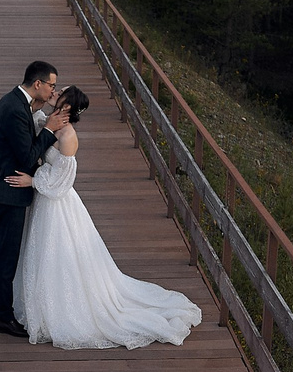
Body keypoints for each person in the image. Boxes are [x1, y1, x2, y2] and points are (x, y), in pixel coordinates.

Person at [10, 86, 203, 349]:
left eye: (61, 92)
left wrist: (32, 180)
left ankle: (61, 308)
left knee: (57, 254)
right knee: (42, 252)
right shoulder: (51, 123)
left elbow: (62, 182)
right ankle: (40, 302)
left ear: (67, 106)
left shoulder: (68, 136)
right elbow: (36, 126)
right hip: (45, 202)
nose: (55, 91)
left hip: (56, 203)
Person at [0, 60, 71, 336]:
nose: (54, 90)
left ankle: (0, 308)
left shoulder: (17, 102)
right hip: (9, 190)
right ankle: (3, 317)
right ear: (38, 83)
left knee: (2, 251)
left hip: (3, 184)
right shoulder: (16, 110)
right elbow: (28, 157)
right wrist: (50, 129)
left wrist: (40, 112)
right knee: (7, 254)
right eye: (51, 85)